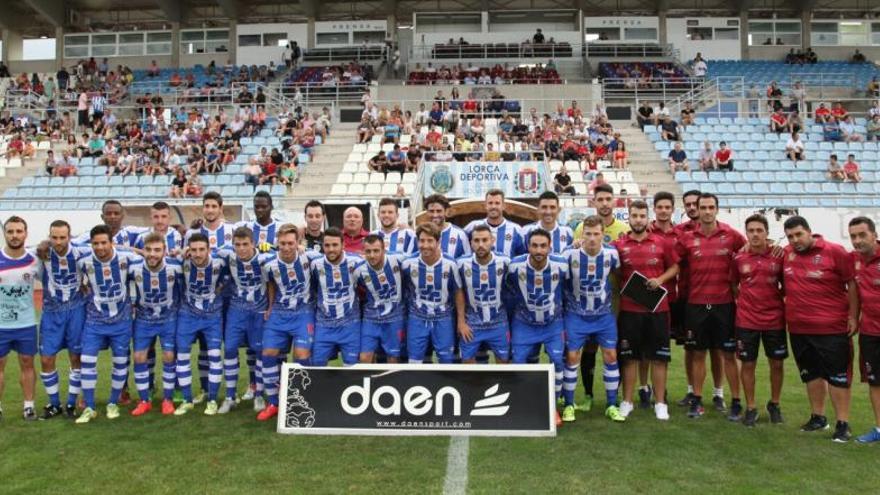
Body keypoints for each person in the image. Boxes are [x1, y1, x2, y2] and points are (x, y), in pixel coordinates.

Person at [782, 216, 857, 442]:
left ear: (809, 232)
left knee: (837, 377)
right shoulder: (786, 253)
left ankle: (843, 423)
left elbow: (852, 283)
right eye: (790, 237)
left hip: (831, 328)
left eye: (798, 234)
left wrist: (853, 315)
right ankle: (818, 417)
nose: (795, 240)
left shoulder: (835, 251)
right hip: (798, 328)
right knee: (811, 374)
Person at [674, 193, 746, 420]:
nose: (706, 211)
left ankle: (734, 401)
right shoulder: (686, 238)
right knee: (697, 353)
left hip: (723, 305)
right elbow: (675, 266)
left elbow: (750, 252)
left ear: (717, 209)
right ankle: (696, 400)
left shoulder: (731, 235)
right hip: (695, 304)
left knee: (727, 355)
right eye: (702, 207)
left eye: (710, 207)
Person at [613, 201, 680, 421]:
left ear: (647, 217)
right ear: (628, 218)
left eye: (642, 215)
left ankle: (660, 403)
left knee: (659, 358)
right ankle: (627, 401)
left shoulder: (661, 243)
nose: (639, 219)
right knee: (630, 358)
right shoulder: (619, 245)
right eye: (634, 215)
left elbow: (675, 266)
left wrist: (659, 279)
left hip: (658, 310)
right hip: (630, 311)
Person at [559, 216, 626, 423]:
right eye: (587, 234)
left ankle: (611, 404)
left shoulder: (612, 255)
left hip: (603, 315)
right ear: (582, 235)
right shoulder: (569, 255)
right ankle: (569, 404)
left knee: (611, 356)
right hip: (576, 315)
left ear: (603, 235)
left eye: (596, 234)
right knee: (572, 358)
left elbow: (620, 275)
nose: (592, 238)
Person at [75, 225, 144, 424]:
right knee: (87, 361)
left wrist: (134, 249)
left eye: (104, 242)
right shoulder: (84, 261)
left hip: (121, 321)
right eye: (95, 243)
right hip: (94, 320)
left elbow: (150, 259)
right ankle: (89, 407)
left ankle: (113, 402)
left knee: (120, 363)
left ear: (111, 243)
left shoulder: (126, 258)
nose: (100, 247)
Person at [258, 225, 320, 421]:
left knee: (301, 354)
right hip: (279, 312)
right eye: (282, 243)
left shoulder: (309, 258)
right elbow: (271, 284)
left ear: (297, 243)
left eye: (290, 243)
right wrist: (269, 306)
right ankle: (274, 402)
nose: (286, 247)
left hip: (303, 312)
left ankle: (303, 399)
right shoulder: (269, 264)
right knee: (268, 353)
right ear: (277, 243)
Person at [507, 228, 568, 425]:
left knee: (558, 361)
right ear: (528, 247)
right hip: (524, 323)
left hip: (553, 323)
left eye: (543, 246)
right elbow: (507, 288)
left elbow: (569, 288)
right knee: (518, 362)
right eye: (534, 245)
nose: (539, 250)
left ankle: (553, 407)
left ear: (550, 247)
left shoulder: (562, 265)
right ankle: (522, 404)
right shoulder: (515, 266)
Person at [732, 214, 787, 427]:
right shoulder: (739, 258)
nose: (755, 234)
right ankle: (751, 407)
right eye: (751, 231)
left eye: (759, 230)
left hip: (774, 319)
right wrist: (746, 301)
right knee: (748, 364)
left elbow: (785, 285)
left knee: (777, 363)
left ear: (767, 233)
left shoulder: (779, 256)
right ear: (746, 234)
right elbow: (733, 285)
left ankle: (774, 403)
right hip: (746, 320)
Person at [35, 220, 92, 420]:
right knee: (46, 358)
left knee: (76, 357)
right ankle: (54, 404)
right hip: (52, 312)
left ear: (70, 236)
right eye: (54, 237)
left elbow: (109, 249)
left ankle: (70, 403)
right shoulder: (41, 253)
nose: (58, 242)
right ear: (49, 237)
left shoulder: (81, 251)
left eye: (62, 237)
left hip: (76, 310)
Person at [215, 227, 274, 415]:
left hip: (259, 310)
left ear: (253, 243)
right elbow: (207, 251)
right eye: (237, 245)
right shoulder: (228, 255)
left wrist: (270, 307)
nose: (241, 249)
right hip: (237, 309)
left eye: (245, 244)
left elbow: (271, 283)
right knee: (230, 348)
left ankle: (258, 394)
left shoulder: (265, 259)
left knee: (259, 351)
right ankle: (230, 397)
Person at [172, 233, 227, 416]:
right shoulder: (182, 262)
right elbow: (162, 260)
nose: (197, 254)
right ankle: (187, 400)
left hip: (212, 316)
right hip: (187, 315)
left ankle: (212, 400)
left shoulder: (220, 262)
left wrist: (220, 288)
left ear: (208, 249)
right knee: (183, 356)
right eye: (193, 249)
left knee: (214, 356)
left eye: (201, 249)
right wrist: (179, 253)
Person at [129, 233, 183, 417]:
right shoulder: (134, 267)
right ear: (143, 250)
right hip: (144, 319)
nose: (152, 254)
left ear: (165, 251)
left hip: (168, 318)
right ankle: (144, 400)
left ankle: (167, 399)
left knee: (169, 355)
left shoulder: (175, 267)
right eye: (149, 250)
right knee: (138, 357)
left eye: (157, 250)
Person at [0, 217, 41, 421]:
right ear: (4, 234)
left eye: (18, 231)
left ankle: (29, 406)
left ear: (26, 233)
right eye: (10, 231)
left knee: (27, 363)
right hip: (1, 325)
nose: (14, 235)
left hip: (26, 324)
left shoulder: (34, 261)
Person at [401, 224, 460, 364]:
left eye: (429, 241)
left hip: (443, 317)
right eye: (422, 241)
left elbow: (458, 291)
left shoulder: (451, 264)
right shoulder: (408, 264)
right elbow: (404, 288)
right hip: (417, 317)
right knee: (414, 360)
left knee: (446, 360)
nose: (425, 245)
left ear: (438, 242)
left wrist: (461, 320)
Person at [455, 225, 511, 364]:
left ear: (492, 240)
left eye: (485, 240)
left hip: (499, 323)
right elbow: (458, 291)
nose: (481, 245)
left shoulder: (505, 262)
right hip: (472, 324)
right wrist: (461, 322)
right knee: (467, 365)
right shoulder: (461, 264)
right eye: (476, 240)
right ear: (471, 243)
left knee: (504, 365)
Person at [309, 228, 363, 366]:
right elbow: (314, 288)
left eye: (335, 245)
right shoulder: (315, 264)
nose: (331, 249)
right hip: (324, 324)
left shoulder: (356, 262)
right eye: (327, 245)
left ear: (343, 245)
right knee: (317, 365)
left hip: (350, 324)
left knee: (352, 368)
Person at [848, 217, 880, 443]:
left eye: (862, 235)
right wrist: (852, 316)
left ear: (874, 234)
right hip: (870, 332)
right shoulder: (852, 260)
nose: (857, 241)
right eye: (853, 236)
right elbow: (853, 289)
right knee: (875, 381)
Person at [355, 235, 407, 364]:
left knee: (393, 358)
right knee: (364, 358)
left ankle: (390, 383)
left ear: (384, 250)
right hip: (371, 317)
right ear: (363, 252)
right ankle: (368, 383)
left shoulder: (399, 259)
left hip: (395, 317)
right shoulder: (358, 270)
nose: (372, 255)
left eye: (376, 251)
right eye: (368, 251)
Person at [464, 189, 526, 258]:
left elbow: (522, 257)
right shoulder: (472, 226)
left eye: (497, 203)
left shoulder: (516, 229)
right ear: (485, 206)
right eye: (490, 203)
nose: (493, 206)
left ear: (503, 206)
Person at [423, 194, 471, 258]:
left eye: (439, 211)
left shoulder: (460, 234)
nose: (435, 215)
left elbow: (467, 262)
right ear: (427, 212)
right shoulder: (420, 234)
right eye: (431, 211)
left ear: (446, 211)